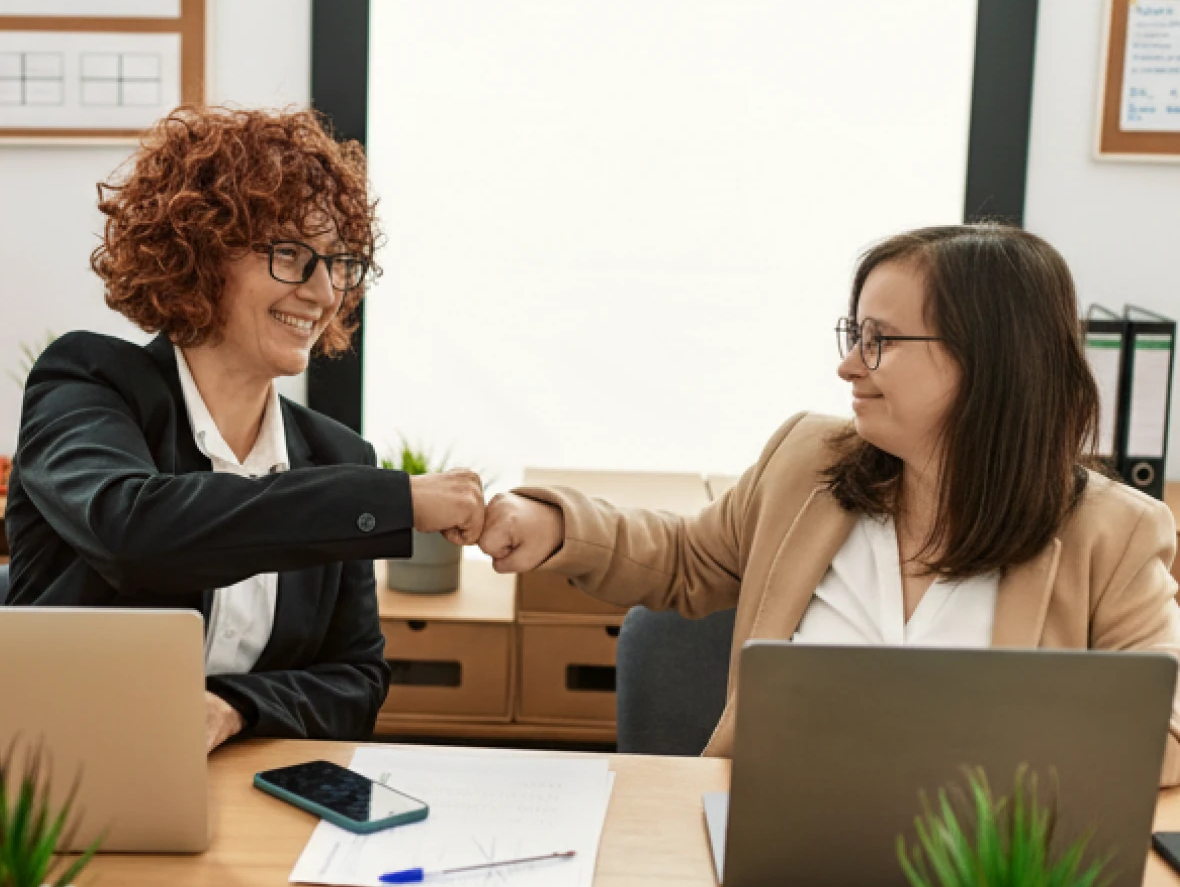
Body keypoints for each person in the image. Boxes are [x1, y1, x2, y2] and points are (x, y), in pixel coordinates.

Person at [478, 223, 1180, 786]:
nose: (849, 366)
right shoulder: (808, 462)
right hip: (771, 850)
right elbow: (686, 561)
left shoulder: (1113, 534)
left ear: (989, 359)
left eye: (881, 341)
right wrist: (557, 525)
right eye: (855, 336)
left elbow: (1169, 732)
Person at [6, 105, 484, 751]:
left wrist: (234, 707)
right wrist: (392, 500)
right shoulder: (89, 382)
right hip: (67, 779)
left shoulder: (338, 455)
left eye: (339, 263)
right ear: (201, 251)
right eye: (291, 254)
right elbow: (133, 531)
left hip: (248, 791)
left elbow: (356, 682)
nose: (322, 293)